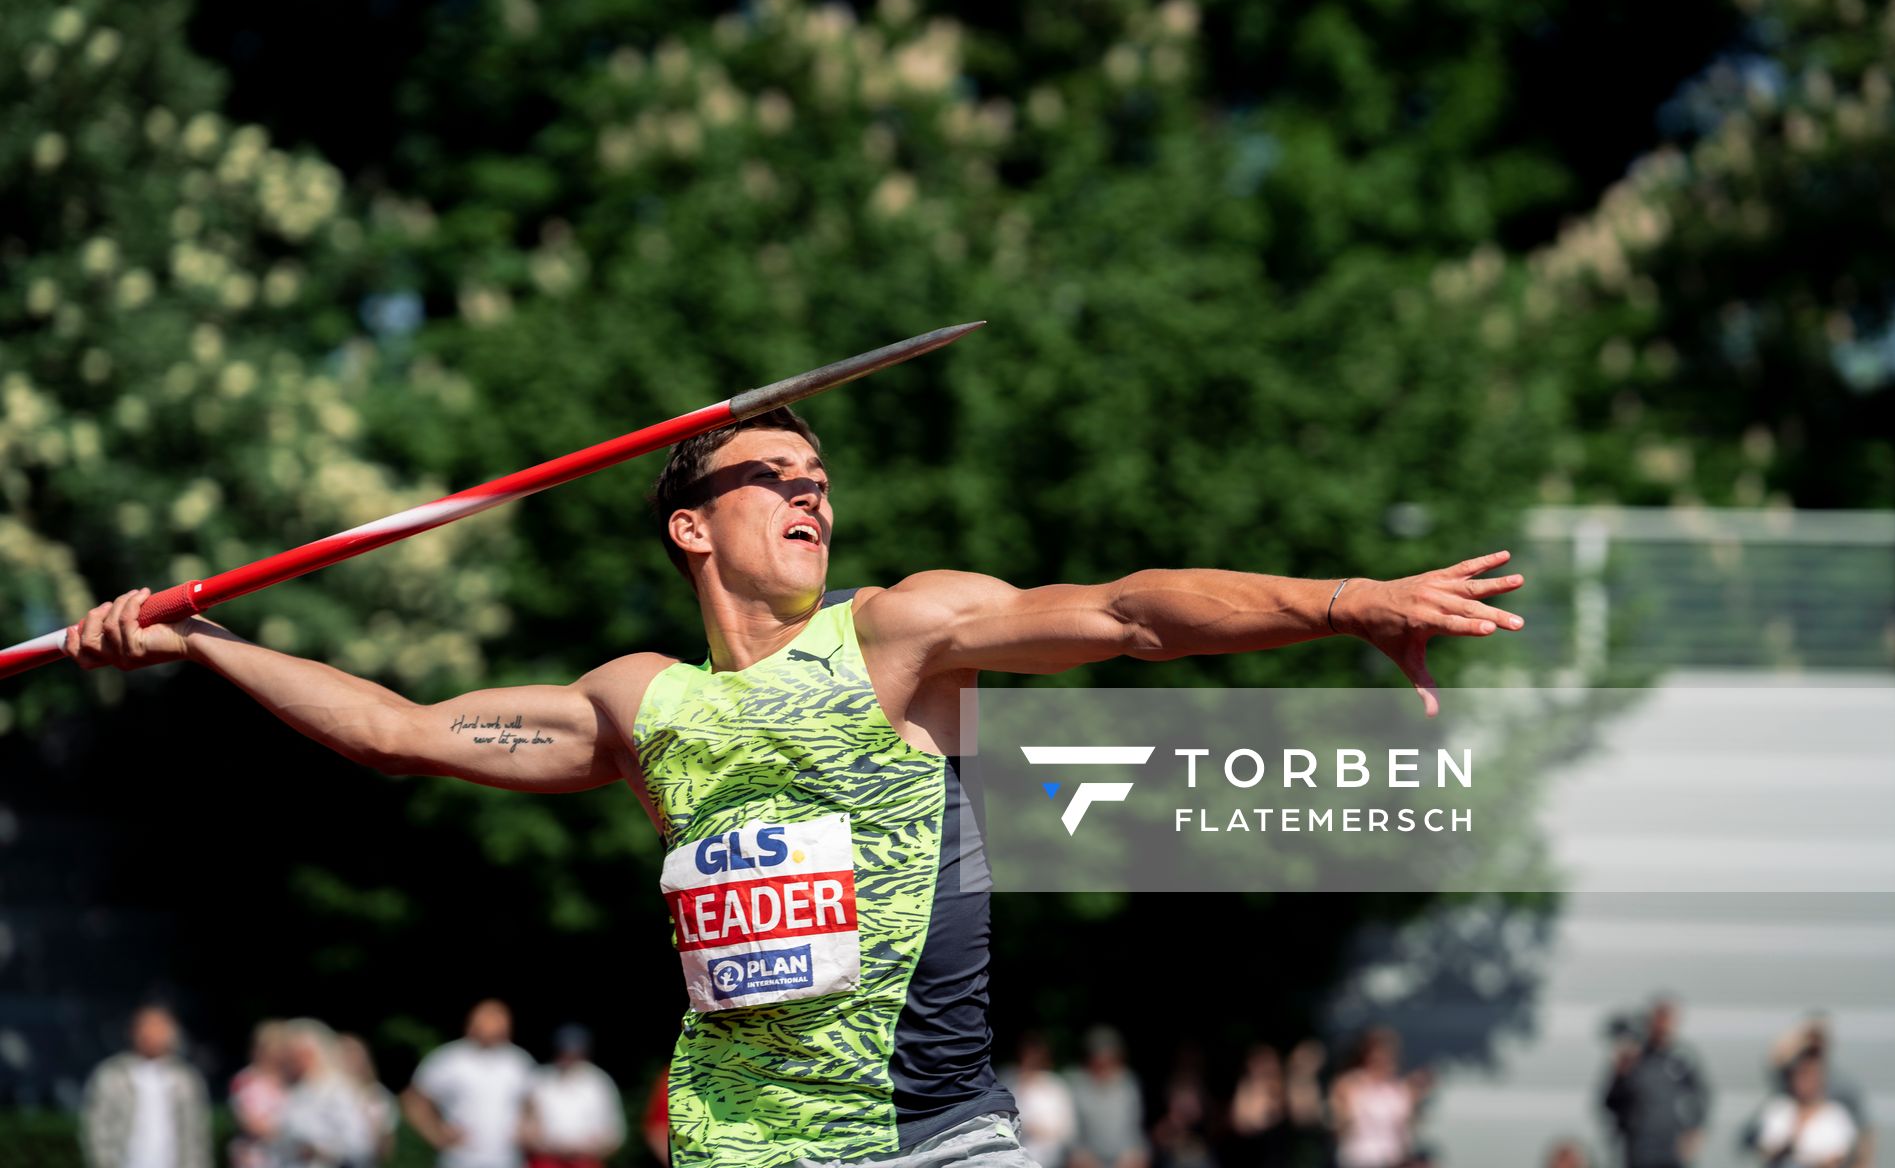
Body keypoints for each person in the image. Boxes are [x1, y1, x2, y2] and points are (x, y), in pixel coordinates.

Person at [67, 406, 1527, 1167]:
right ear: (694, 527)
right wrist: (201, 642)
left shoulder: (897, 637)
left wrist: (1337, 598)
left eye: (824, 475)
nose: (816, 495)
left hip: (946, 1135)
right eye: (781, 475)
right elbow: (396, 730)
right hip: (747, 1150)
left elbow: (1134, 613)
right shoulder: (642, 703)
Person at [401, 1000, 535, 1168]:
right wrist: (436, 1134)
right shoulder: (449, 1058)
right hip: (461, 1159)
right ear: (472, 1024)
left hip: (508, 1159)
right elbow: (413, 1099)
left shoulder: (519, 1060)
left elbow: (532, 1101)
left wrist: (528, 1126)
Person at [80, 1004, 214, 1168]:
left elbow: (197, 1134)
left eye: (160, 1027)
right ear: (134, 1031)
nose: (153, 1034)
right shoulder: (112, 1075)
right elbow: (96, 1128)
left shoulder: (186, 1078)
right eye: (147, 1026)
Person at [1602, 998, 1710, 1168]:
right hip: (1639, 1146)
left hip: (1672, 1146)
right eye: (1658, 1019)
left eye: (1667, 1020)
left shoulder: (1682, 1059)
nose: (1663, 1026)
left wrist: (1695, 1129)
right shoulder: (1633, 1059)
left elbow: (1701, 1097)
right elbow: (1610, 1102)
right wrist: (1621, 1074)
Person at [266, 1019, 376, 1168]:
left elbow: (360, 1147)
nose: (290, 1061)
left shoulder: (338, 1091)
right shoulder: (292, 1090)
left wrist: (318, 1149)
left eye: (296, 1055)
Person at [521, 1025, 625, 1168]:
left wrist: (587, 1148)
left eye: (574, 1052)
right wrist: (547, 1144)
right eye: (563, 1052)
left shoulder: (599, 1083)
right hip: (545, 1160)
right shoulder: (539, 1080)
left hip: (586, 1161)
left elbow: (615, 1134)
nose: (568, 1057)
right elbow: (523, 1127)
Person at [1329, 1027, 1430, 1168]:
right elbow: (1340, 1124)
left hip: (1393, 1159)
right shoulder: (1350, 1084)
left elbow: (1406, 1129)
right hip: (1359, 1158)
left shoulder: (1399, 1089)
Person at [1749, 1051, 1856, 1168]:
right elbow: (1766, 1150)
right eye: (1801, 1075)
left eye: (1811, 1075)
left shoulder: (1836, 1114)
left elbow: (1838, 1158)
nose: (1805, 1082)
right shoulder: (1780, 1109)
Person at [1065, 1026, 1148, 1168]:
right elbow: (1070, 1130)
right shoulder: (1076, 1083)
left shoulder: (1128, 1083)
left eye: (1110, 1058)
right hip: (1086, 1157)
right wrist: (1081, 1154)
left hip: (1124, 1157)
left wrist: (1131, 1155)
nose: (1104, 1063)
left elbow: (1134, 1128)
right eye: (1098, 1056)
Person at [1009, 1034, 1076, 1168]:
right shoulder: (1013, 1087)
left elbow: (1068, 1129)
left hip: (1055, 1158)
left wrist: (1043, 1131)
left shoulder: (1056, 1087)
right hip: (1019, 1158)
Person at [229, 1022, 289, 1168]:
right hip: (254, 1156)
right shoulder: (245, 1079)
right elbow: (249, 1122)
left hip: (285, 1157)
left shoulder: (288, 1080)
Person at [336, 1033, 399, 1167]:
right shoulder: (320, 1093)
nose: (350, 1059)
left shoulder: (377, 1094)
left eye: (354, 1053)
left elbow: (385, 1149)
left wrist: (376, 1128)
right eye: (344, 1053)